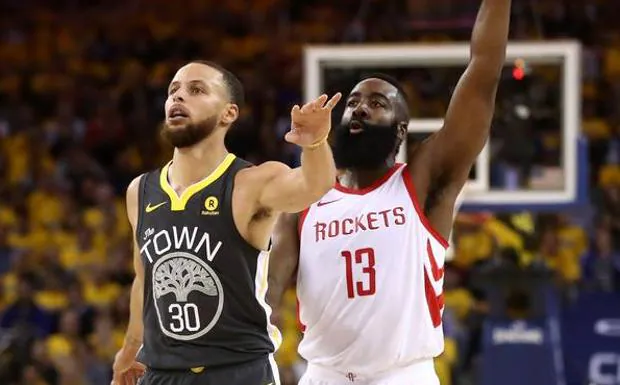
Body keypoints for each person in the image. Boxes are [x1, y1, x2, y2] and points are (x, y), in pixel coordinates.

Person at [267, 0, 512, 383]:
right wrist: (257, 322)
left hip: (403, 374)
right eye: (352, 103)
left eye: (377, 104)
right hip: (324, 374)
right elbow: (270, 281)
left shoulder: (423, 182)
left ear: (401, 130)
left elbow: (482, 75)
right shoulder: (306, 195)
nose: (359, 109)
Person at [110, 60, 341, 385]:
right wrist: (130, 349)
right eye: (173, 90)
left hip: (237, 372)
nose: (178, 97)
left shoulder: (252, 182)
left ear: (228, 114)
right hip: (163, 374)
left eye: (196, 90)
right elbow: (145, 279)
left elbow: (314, 186)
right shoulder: (141, 190)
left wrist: (315, 143)